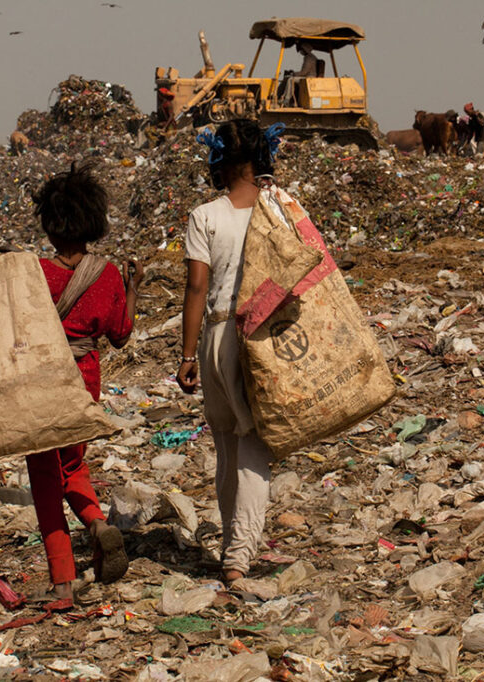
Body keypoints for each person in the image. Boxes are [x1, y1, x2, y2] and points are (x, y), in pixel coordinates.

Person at [179, 118, 292, 584]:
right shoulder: (279, 211)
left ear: (219, 160)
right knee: (253, 447)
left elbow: (197, 287)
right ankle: (239, 557)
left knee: (226, 444)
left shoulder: (205, 215)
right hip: (260, 335)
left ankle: (231, 544)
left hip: (216, 337)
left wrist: (187, 356)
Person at [29, 163, 143, 603]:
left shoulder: (36, 272)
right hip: (86, 378)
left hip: (44, 380)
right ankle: (96, 523)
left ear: (51, 223)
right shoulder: (108, 274)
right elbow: (120, 334)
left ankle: (62, 582)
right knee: (73, 464)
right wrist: (132, 288)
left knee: (44, 475)